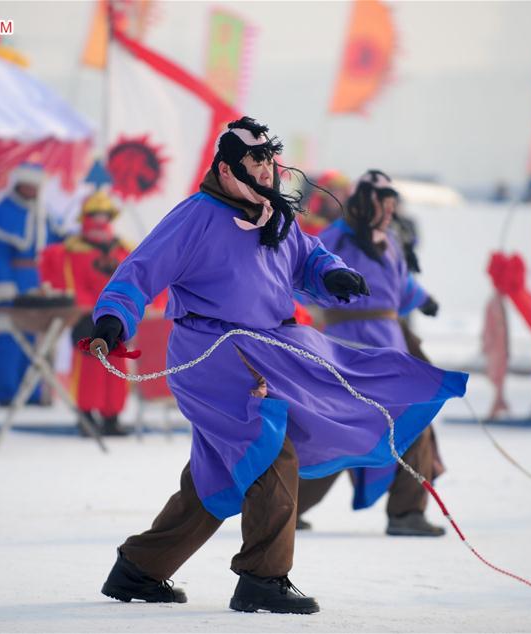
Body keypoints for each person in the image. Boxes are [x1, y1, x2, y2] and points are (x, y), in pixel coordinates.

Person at [86, 118, 467, 613]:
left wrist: (333, 274)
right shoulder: (197, 215)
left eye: (270, 158)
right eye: (256, 160)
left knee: (220, 471)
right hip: (213, 351)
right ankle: (263, 579)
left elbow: (308, 256)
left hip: (269, 345)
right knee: (268, 445)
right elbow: (140, 269)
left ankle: (139, 569)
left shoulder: (274, 216)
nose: (267, 168)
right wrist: (114, 316)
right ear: (227, 169)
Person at [296, 170, 445, 537]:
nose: (391, 210)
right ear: (367, 201)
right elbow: (301, 270)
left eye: (394, 203)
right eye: (385, 202)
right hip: (346, 349)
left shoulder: (390, 240)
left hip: (390, 346)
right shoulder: (335, 239)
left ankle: (407, 511)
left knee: (414, 420)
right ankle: (285, 506)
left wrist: (424, 300)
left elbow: (402, 283)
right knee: (337, 432)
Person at [39, 190, 132, 436]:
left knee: (116, 367)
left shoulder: (122, 249)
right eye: (95, 215)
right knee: (90, 370)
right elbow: (74, 285)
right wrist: (91, 305)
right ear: (85, 217)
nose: (100, 220)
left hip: (117, 317)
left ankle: (112, 419)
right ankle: (87, 417)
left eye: (105, 215)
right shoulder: (72, 251)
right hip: (87, 318)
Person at [0, 163, 62, 405]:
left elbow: (58, 247)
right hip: (14, 285)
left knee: (38, 342)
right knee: (10, 339)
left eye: (34, 186)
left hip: (40, 285)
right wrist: (4, 288)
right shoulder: (1, 215)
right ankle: (7, 393)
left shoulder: (46, 215)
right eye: (26, 185)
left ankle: (34, 393)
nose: (30, 190)